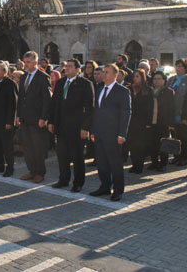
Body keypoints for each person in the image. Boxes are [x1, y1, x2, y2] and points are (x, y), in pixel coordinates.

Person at [48, 59, 94, 192]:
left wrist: (85, 127)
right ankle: (63, 179)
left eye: (70, 66)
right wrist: (51, 121)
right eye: (66, 66)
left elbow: (89, 108)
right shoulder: (61, 82)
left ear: (78, 70)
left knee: (77, 156)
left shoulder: (85, 84)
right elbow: (54, 104)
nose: (66, 68)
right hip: (61, 126)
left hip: (77, 127)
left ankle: (78, 183)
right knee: (62, 155)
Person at [90, 64, 131, 202]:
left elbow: (126, 113)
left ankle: (118, 190)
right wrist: (94, 131)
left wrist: (122, 134)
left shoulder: (122, 91)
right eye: (103, 72)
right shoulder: (100, 89)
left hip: (113, 134)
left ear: (115, 75)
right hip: (100, 132)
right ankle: (104, 186)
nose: (104, 74)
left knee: (115, 163)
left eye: (107, 72)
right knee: (101, 163)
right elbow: (96, 112)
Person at [16, 51, 52, 183]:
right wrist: (18, 115)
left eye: (28, 62)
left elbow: (46, 100)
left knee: (37, 147)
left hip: (37, 119)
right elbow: (21, 98)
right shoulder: (24, 76)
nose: (26, 65)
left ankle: (40, 173)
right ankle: (31, 170)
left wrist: (43, 118)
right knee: (27, 146)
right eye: (25, 62)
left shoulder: (43, 77)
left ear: (35, 62)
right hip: (25, 118)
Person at [126, 69, 154, 174]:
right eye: (134, 76)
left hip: (142, 121)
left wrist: (148, 122)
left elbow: (150, 108)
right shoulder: (128, 89)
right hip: (131, 120)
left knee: (140, 145)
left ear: (142, 77)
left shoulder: (148, 90)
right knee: (132, 144)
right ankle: (134, 164)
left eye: (137, 76)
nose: (135, 78)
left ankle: (139, 165)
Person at [167, 59, 187, 166]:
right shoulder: (171, 79)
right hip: (172, 113)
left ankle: (183, 157)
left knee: (184, 137)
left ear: (185, 68)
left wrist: (186, 116)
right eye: (177, 66)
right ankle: (176, 156)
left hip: (183, 114)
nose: (178, 68)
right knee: (174, 137)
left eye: (180, 66)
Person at [149, 71, 175, 172]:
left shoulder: (168, 91)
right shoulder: (150, 91)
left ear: (164, 80)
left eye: (159, 79)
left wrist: (171, 124)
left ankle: (163, 163)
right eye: (155, 79)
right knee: (153, 143)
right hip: (152, 121)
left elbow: (171, 108)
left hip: (163, 122)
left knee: (163, 144)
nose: (157, 81)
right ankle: (154, 162)